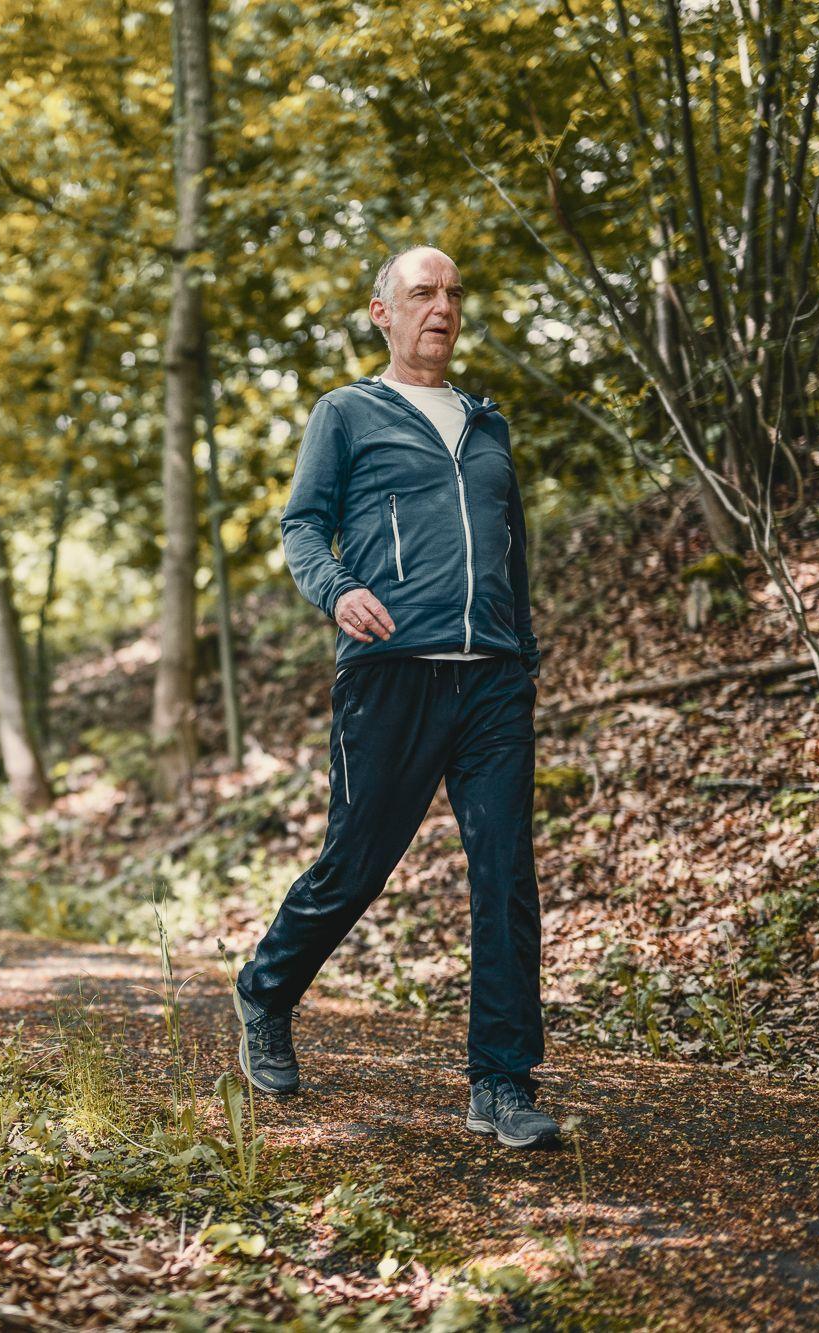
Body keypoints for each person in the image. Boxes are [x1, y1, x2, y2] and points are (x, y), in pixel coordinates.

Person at [230, 245, 561, 1149]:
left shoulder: (487, 425)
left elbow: (511, 551)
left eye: (452, 293)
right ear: (384, 312)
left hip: (492, 681)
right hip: (391, 671)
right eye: (422, 293)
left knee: (504, 875)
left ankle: (501, 1081)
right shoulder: (348, 413)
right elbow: (301, 525)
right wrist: (337, 590)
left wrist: (523, 658)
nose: (441, 306)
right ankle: (267, 987)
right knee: (358, 862)